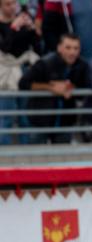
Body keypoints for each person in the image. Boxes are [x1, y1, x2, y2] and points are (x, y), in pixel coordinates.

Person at [18, 33, 90, 144]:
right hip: (40, 120)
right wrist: (50, 87)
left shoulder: (83, 65)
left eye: (76, 48)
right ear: (59, 48)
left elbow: (86, 87)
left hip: (65, 122)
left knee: (63, 158)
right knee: (35, 157)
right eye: (68, 47)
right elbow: (23, 83)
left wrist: (71, 88)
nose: (72, 52)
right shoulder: (45, 63)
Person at [0, 0, 39, 145]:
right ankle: (3, 154)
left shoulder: (23, 21)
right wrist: (13, 27)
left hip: (24, 70)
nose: (11, 7)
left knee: (25, 116)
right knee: (6, 117)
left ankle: (26, 153)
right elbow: (4, 48)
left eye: (13, 4)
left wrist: (32, 29)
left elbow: (36, 46)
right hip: (5, 73)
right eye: (7, 4)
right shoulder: (10, 25)